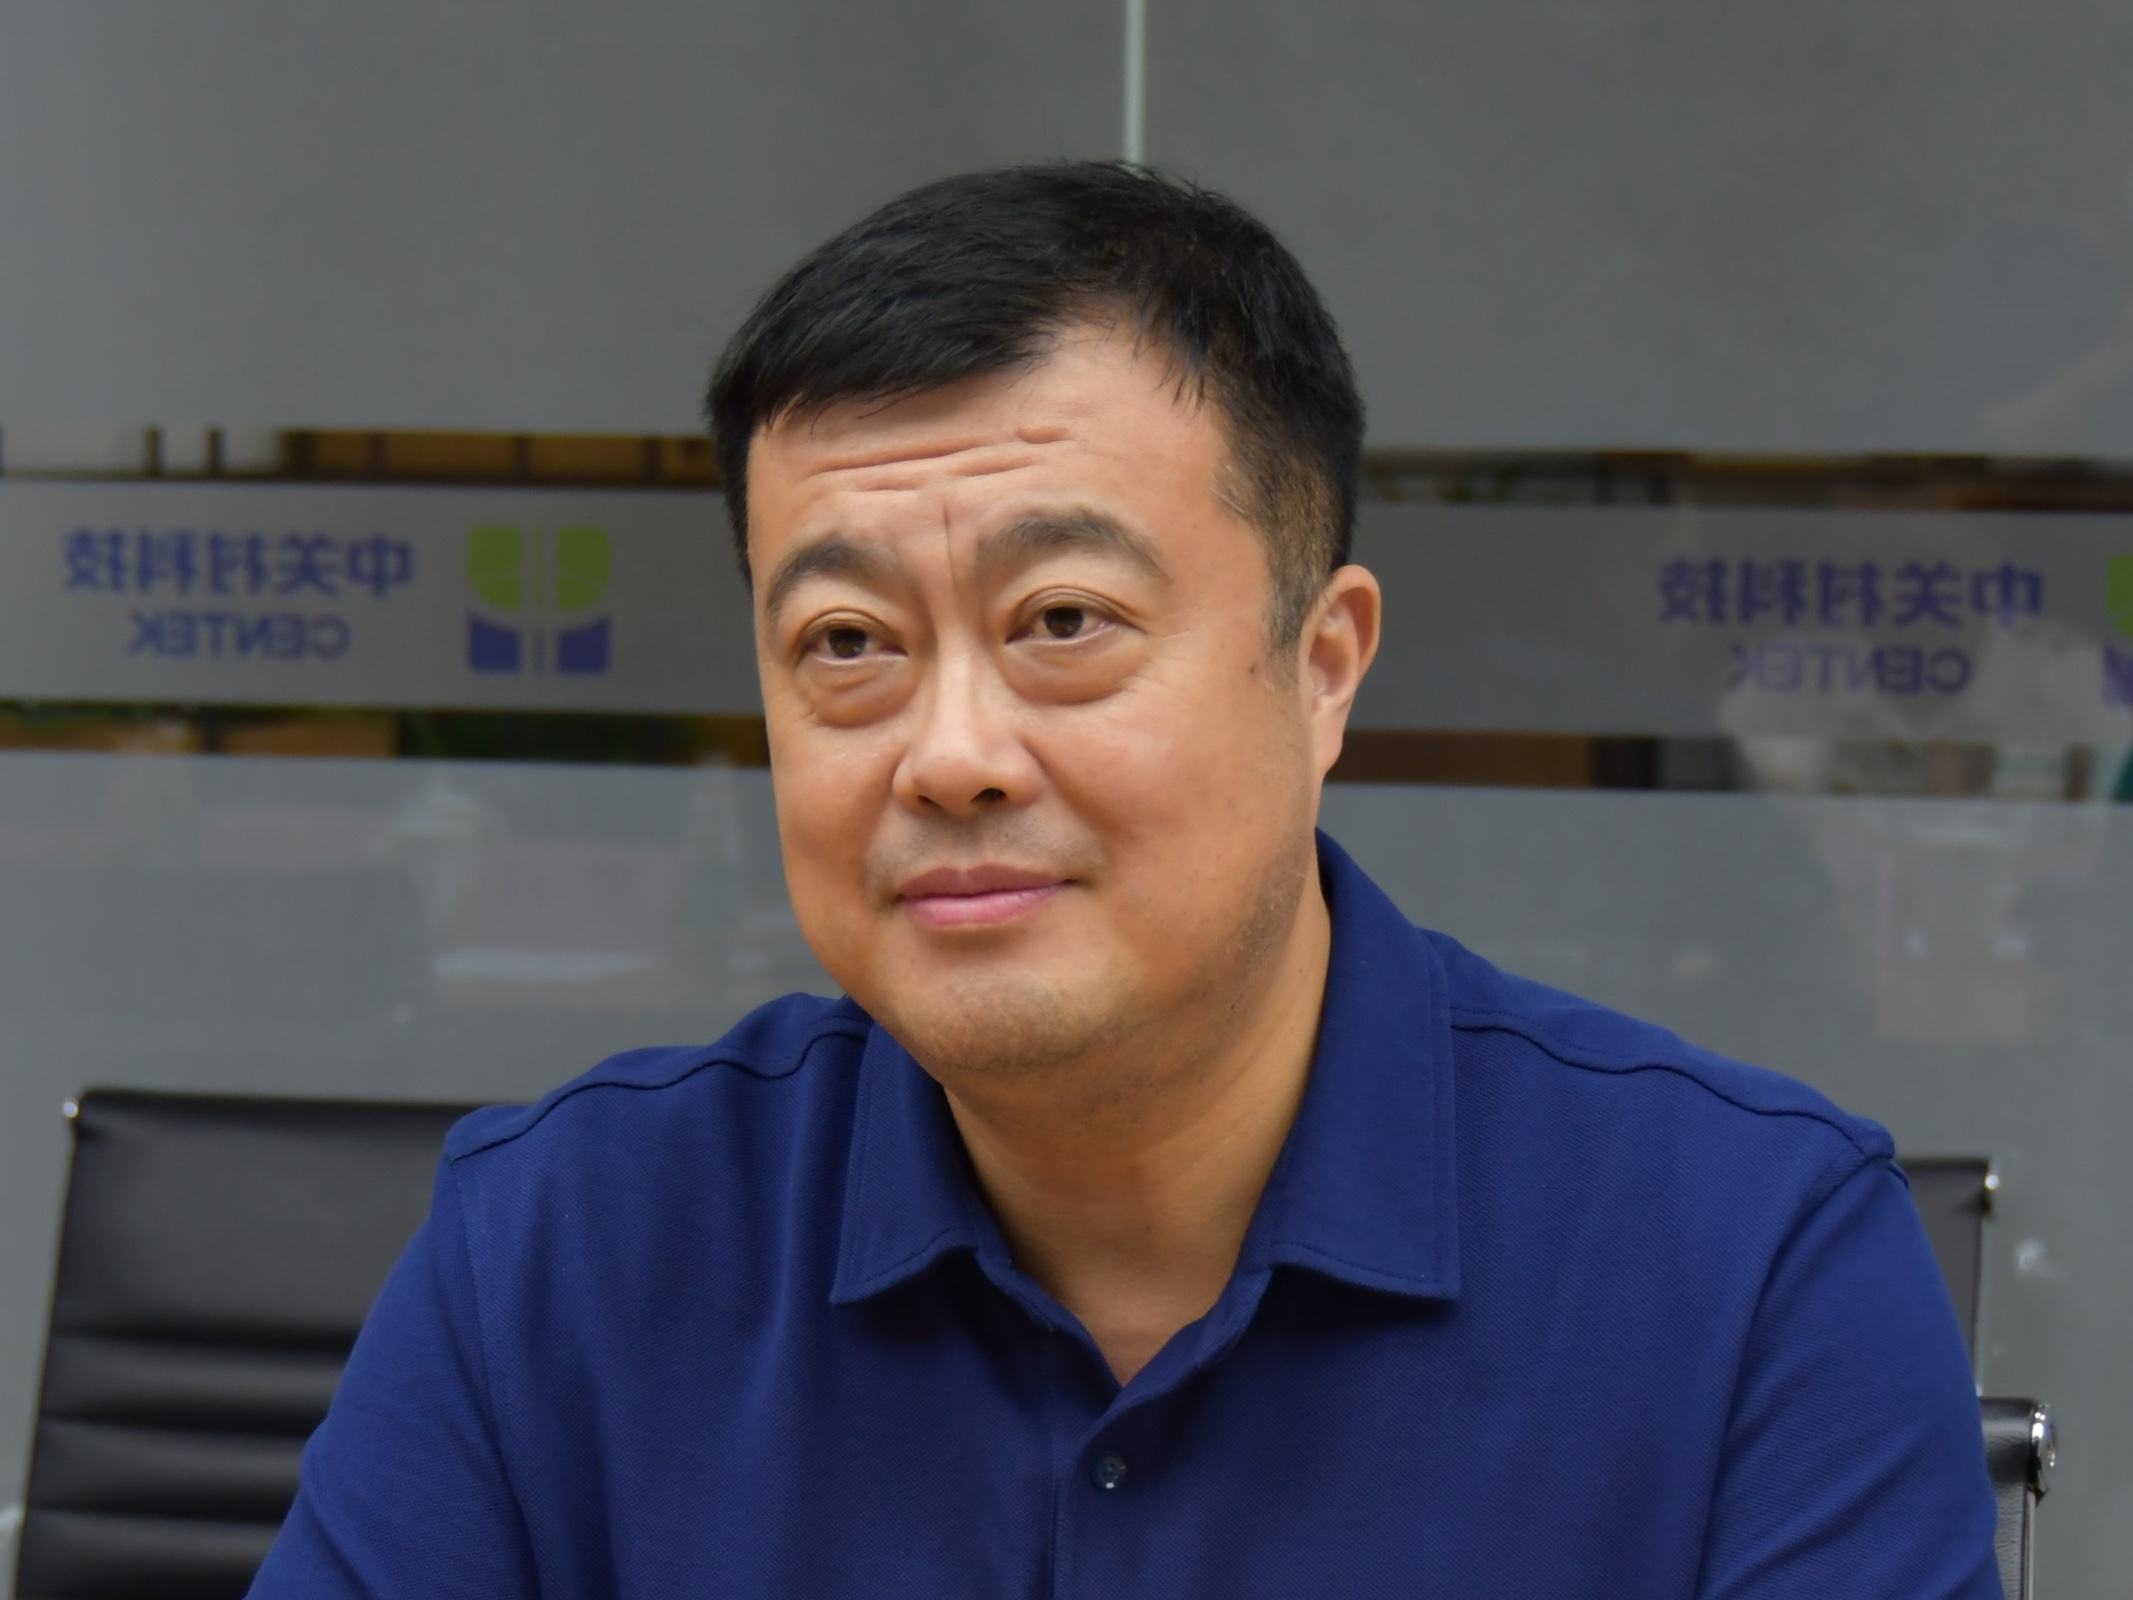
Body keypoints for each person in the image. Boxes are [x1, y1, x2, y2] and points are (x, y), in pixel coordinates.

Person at [250, 163, 1998, 1597]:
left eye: (1063, 622)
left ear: (1321, 667)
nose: (949, 755)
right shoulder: (559, 1252)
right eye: (846, 643)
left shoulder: (1750, 1267)